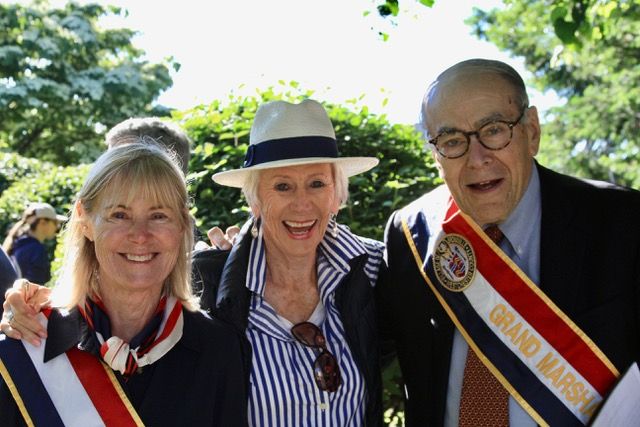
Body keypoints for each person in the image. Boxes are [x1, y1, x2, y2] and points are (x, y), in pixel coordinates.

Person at [377, 58, 640, 426]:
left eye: (494, 130)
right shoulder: (410, 234)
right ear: (436, 156)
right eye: (452, 141)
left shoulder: (624, 222)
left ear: (532, 131)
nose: (477, 158)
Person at [0, 143, 247, 426]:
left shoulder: (219, 349)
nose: (140, 235)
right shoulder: (26, 347)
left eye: (158, 216)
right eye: (119, 215)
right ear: (85, 221)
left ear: (182, 225)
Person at [191, 99, 385, 426]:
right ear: (255, 200)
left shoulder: (373, 268)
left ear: (336, 195)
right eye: (282, 186)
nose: (301, 204)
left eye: (317, 183)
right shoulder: (209, 285)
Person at [2, 202, 66, 284]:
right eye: (55, 222)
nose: (58, 227)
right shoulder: (37, 250)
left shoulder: (19, 244)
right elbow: (35, 286)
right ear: (42, 222)